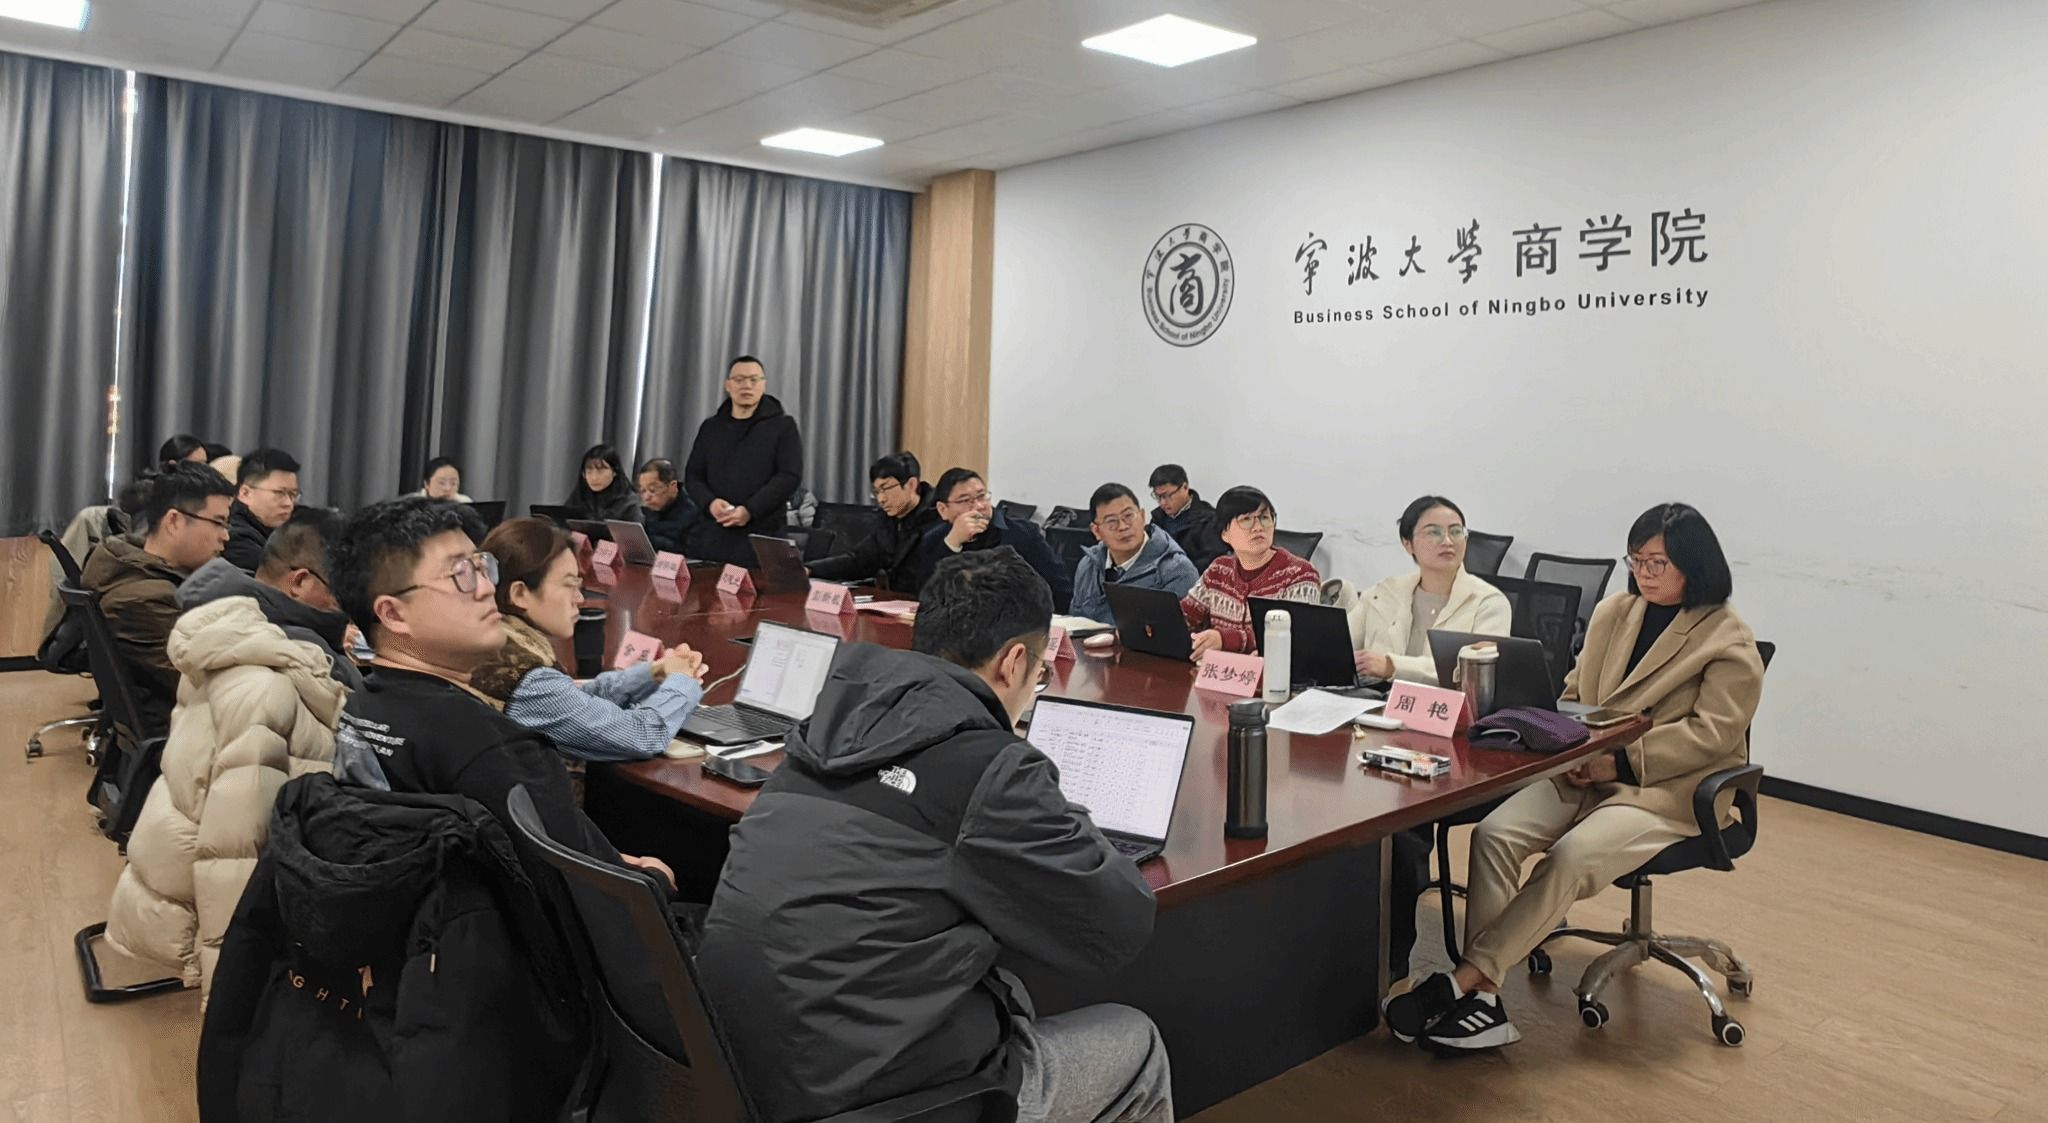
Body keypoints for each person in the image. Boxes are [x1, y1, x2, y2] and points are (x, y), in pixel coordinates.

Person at [698, 548, 1171, 1123]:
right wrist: (1058, 811)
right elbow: (1118, 925)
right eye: (1040, 673)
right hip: (869, 1100)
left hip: (736, 1068)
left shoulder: (828, 724)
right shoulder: (990, 766)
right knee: (1136, 1040)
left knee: (1010, 992)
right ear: (1014, 662)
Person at [1384, 503, 1764, 1052]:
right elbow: (1575, 692)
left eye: (1658, 563)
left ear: (1695, 564)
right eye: (1636, 561)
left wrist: (1621, 762)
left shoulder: (1728, 639)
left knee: (1570, 856)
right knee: (1494, 835)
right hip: (1583, 767)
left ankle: (1466, 983)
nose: (1644, 573)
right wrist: (1565, 742)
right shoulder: (1615, 613)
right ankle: (1485, 1001)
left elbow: (1712, 734)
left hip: (1662, 789)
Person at [327, 497, 673, 887]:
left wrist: (603, 858)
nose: (487, 587)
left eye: (481, 566)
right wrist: (652, 880)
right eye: (460, 574)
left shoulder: (363, 703)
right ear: (393, 614)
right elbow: (582, 892)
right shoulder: (490, 746)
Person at [104, 510, 355, 998]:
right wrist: (232, 988)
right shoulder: (269, 679)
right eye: (347, 592)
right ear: (301, 583)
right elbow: (237, 850)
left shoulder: (236, 627)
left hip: (171, 874)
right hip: (202, 906)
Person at [471, 517, 708, 762]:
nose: (580, 599)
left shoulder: (501, 643)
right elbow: (642, 736)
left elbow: (576, 699)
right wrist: (683, 681)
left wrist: (655, 673)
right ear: (520, 594)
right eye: (570, 585)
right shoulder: (526, 680)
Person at [80, 463, 237, 740]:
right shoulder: (142, 599)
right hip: (186, 735)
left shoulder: (142, 571)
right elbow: (203, 683)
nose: (225, 536)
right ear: (174, 521)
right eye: (218, 522)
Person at [1326, 496, 1512, 683]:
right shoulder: (1382, 593)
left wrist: (1391, 666)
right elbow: (1336, 648)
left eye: (1456, 532)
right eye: (1433, 532)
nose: (1447, 541)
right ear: (1408, 544)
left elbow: (1477, 672)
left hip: (1445, 700)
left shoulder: (1488, 603)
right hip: (1375, 697)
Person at [178, 508, 364, 689]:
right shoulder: (307, 652)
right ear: (298, 582)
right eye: (343, 591)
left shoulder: (208, 611)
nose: (348, 605)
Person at [683, 355, 804, 566]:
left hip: (762, 534)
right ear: (728, 385)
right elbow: (693, 475)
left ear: (764, 385)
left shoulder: (783, 426)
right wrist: (710, 503)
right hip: (713, 534)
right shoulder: (711, 427)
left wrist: (750, 510)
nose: (747, 386)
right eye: (739, 380)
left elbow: (789, 476)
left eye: (754, 380)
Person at [1179, 486, 1320, 658]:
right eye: (1246, 520)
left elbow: (1295, 635)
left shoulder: (1300, 574)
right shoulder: (1218, 570)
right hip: (1220, 671)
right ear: (1225, 533)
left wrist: (1226, 640)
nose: (1258, 527)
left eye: (1265, 518)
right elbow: (1185, 617)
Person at [806, 451, 941, 592]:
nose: (881, 499)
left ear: (911, 484)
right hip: (894, 600)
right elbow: (859, 561)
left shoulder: (939, 519)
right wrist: (809, 569)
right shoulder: (888, 520)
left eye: (886, 488)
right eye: (876, 492)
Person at [911, 468, 1062, 592]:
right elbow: (925, 593)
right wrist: (952, 544)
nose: (978, 506)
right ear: (943, 509)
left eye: (981, 496)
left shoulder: (1023, 534)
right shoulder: (933, 538)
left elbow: (1059, 587)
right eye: (965, 500)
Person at [1069, 482, 1200, 625]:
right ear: (1096, 531)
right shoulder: (1088, 566)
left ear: (1142, 517)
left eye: (1128, 516)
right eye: (1111, 522)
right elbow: (1075, 624)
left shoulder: (1177, 571)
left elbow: (1178, 633)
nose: (1123, 527)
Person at [223, 447, 302, 573]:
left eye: (293, 494)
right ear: (245, 493)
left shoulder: (287, 528)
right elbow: (285, 581)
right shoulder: (235, 538)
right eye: (279, 493)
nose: (288, 503)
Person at [1147, 464, 1225, 571]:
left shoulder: (1208, 519)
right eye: (1157, 496)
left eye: (1168, 495)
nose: (1162, 502)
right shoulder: (1157, 520)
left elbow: (1215, 562)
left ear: (1185, 487)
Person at [635, 457, 700, 554]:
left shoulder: (693, 513)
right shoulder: (646, 510)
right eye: (643, 491)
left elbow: (690, 553)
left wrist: (650, 541)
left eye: (652, 490)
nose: (646, 497)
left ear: (673, 486)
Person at [565, 442, 640, 522]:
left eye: (600, 471)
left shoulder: (629, 503)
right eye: (589, 471)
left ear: (615, 471)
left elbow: (635, 529)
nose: (594, 477)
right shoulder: (579, 496)